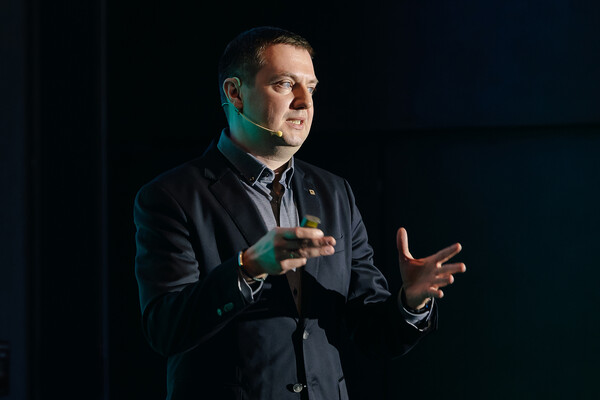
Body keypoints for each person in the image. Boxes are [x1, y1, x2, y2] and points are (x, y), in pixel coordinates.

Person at [134, 26, 466, 400]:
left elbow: (372, 333)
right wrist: (247, 268)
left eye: (311, 88)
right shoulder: (171, 196)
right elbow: (165, 330)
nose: (304, 102)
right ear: (235, 93)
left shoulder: (334, 192)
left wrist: (410, 302)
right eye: (285, 84)